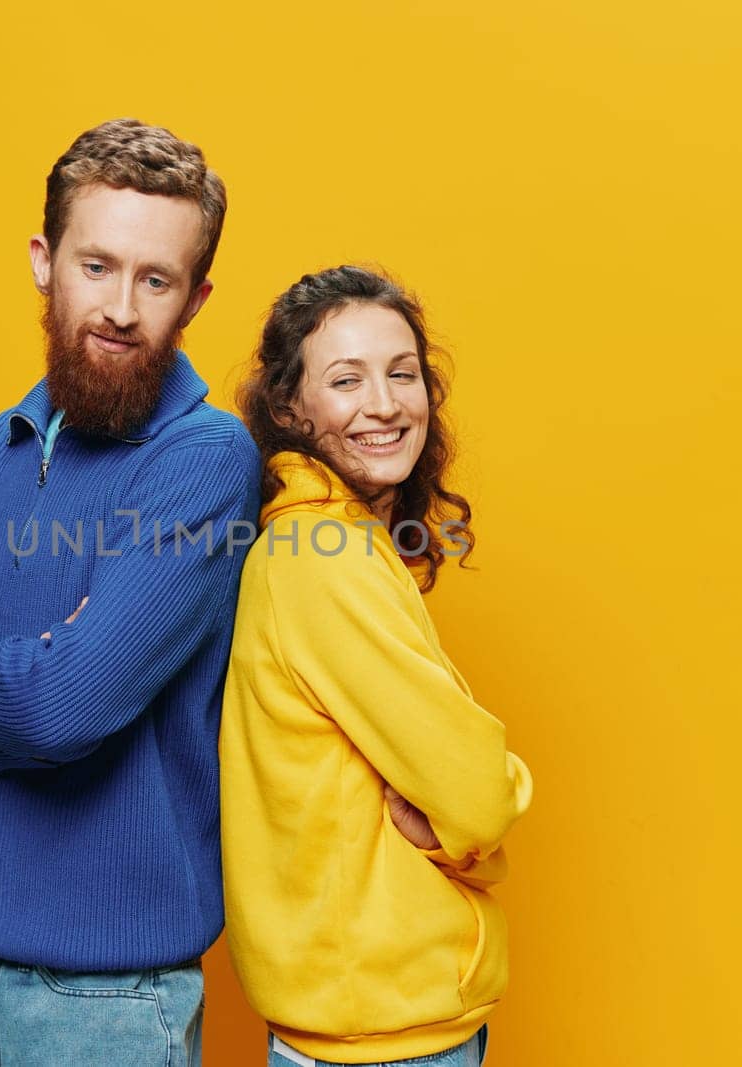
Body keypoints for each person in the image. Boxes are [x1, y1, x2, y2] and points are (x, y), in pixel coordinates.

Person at [0, 118, 261, 1066]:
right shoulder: (4, 445)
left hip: (107, 1002)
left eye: (156, 279)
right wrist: (32, 702)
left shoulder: (203, 460)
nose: (119, 306)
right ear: (44, 261)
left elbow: (70, 706)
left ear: (194, 298)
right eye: (95, 265)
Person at [220, 265, 534, 1066]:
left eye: (402, 373)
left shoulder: (333, 542)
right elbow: (476, 792)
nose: (386, 404)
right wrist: (485, 819)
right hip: (381, 1037)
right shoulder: (324, 560)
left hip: (365, 1020)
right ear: (289, 409)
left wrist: (459, 822)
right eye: (347, 380)